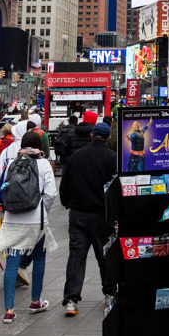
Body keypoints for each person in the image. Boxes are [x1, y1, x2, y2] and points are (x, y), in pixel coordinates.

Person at [0, 131, 57, 324]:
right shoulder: (44, 164)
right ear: (40, 146)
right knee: (39, 258)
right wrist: (41, 210)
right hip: (36, 222)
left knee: (12, 263)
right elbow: (51, 194)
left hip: (12, 220)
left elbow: (2, 189)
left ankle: (9, 311)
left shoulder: (13, 163)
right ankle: (35, 301)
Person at [59, 121, 115, 317]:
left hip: (78, 215)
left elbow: (64, 186)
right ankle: (110, 295)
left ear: (92, 135)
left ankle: (71, 301)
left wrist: (68, 204)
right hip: (103, 216)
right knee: (106, 258)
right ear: (108, 137)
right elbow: (117, 190)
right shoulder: (112, 158)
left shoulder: (76, 157)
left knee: (76, 257)